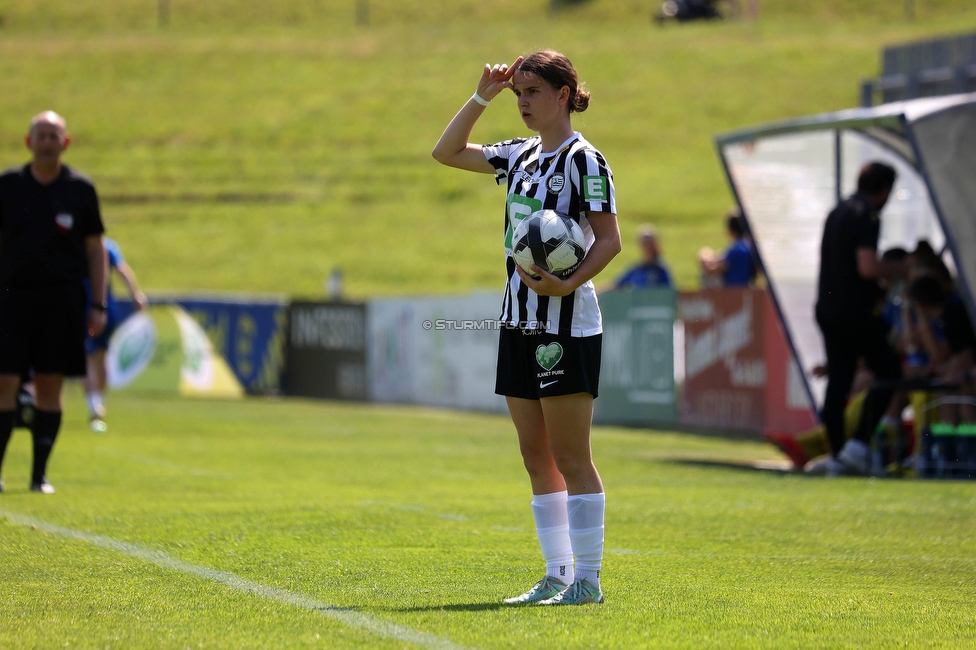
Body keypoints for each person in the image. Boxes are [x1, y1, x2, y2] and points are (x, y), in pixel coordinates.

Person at [432, 51, 620, 605]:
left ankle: (588, 579)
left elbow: (609, 240)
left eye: (532, 92)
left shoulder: (586, 160)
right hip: (517, 320)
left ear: (563, 95)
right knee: (535, 458)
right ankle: (557, 574)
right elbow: (445, 153)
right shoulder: (520, 157)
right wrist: (481, 96)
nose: (523, 103)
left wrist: (568, 283)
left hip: (566, 323)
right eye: (519, 94)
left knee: (572, 458)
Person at [0, 111, 108, 494]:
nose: (47, 141)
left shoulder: (80, 189)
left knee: (49, 385)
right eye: (41, 135)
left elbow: (96, 251)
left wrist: (99, 304)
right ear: (28, 142)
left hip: (61, 299)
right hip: (10, 297)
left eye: (54, 135)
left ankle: (38, 475)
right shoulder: (8, 185)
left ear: (66, 142)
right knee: (4, 381)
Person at [813, 161, 907, 476]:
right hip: (855, 310)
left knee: (838, 381)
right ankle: (858, 446)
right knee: (890, 370)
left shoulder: (837, 210)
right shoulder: (867, 213)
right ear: (885, 190)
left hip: (827, 308)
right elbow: (867, 266)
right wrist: (901, 270)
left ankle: (838, 455)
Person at [84, 237, 148, 433]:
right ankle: (96, 404)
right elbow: (122, 269)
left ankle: (96, 403)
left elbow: (121, 269)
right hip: (97, 309)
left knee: (94, 357)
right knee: (92, 357)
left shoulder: (102, 246)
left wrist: (135, 293)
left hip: (96, 309)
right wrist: (135, 294)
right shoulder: (100, 245)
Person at [698, 210, 756, 287]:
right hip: (748, 289)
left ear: (731, 230)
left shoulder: (737, 250)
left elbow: (712, 270)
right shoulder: (749, 246)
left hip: (734, 292)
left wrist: (703, 257)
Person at [612, 224, 672, 290]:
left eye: (649, 242)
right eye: (644, 242)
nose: (647, 246)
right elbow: (617, 284)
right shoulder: (637, 269)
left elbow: (669, 290)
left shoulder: (660, 269)